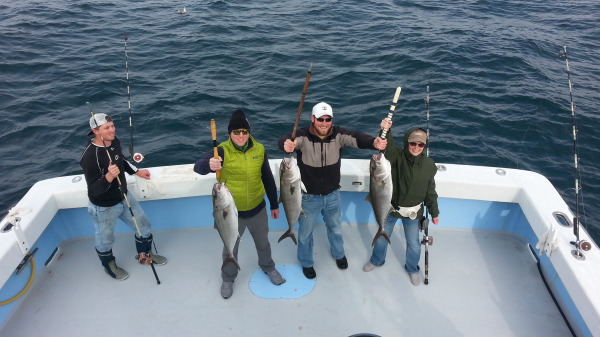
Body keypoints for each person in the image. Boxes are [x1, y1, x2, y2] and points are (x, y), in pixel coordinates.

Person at [278, 102, 388, 279]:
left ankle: (339, 254)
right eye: (320, 119)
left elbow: (357, 138)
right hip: (307, 198)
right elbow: (286, 139)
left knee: (335, 228)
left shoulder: (338, 134)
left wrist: (373, 142)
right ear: (312, 119)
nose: (324, 123)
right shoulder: (302, 136)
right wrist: (285, 144)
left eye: (327, 119)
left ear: (331, 120)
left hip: (332, 195)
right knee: (305, 234)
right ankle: (306, 262)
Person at [194, 109, 285, 299]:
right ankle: (228, 277)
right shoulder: (221, 151)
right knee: (230, 248)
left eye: (244, 131)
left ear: (249, 132)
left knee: (263, 243)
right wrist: (209, 165)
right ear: (230, 133)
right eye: (236, 132)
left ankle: (268, 267)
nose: (241, 135)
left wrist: (274, 204)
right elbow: (198, 166)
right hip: (232, 213)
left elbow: (267, 178)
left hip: (258, 208)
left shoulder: (259, 149)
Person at [80, 113, 167, 281]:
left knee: (143, 225)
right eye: (107, 128)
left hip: (124, 197)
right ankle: (109, 265)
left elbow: (122, 160)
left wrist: (136, 171)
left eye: (112, 126)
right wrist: (109, 177)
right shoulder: (90, 157)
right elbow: (94, 190)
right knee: (105, 239)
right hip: (103, 207)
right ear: (96, 131)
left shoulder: (114, 141)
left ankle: (145, 254)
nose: (112, 130)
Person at [363, 119, 440, 286]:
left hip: (413, 213)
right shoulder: (397, 157)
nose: (416, 148)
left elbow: (430, 191)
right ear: (407, 143)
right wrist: (385, 130)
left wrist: (434, 212)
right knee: (382, 238)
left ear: (424, 147)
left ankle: (412, 268)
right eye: (413, 143)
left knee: (414, 244)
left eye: (421, 145)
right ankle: (376, 260)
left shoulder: (429, 165)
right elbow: (387, 148)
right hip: (391, 209)